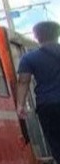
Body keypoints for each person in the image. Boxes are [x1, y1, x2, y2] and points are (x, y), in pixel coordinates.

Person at [16, 20, 60, 156]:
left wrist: (20, 105)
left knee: (56, 142)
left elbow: (23, 82)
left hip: (48, 106)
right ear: (57, 34)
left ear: (36, 36)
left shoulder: (29, 58)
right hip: (48, 105)